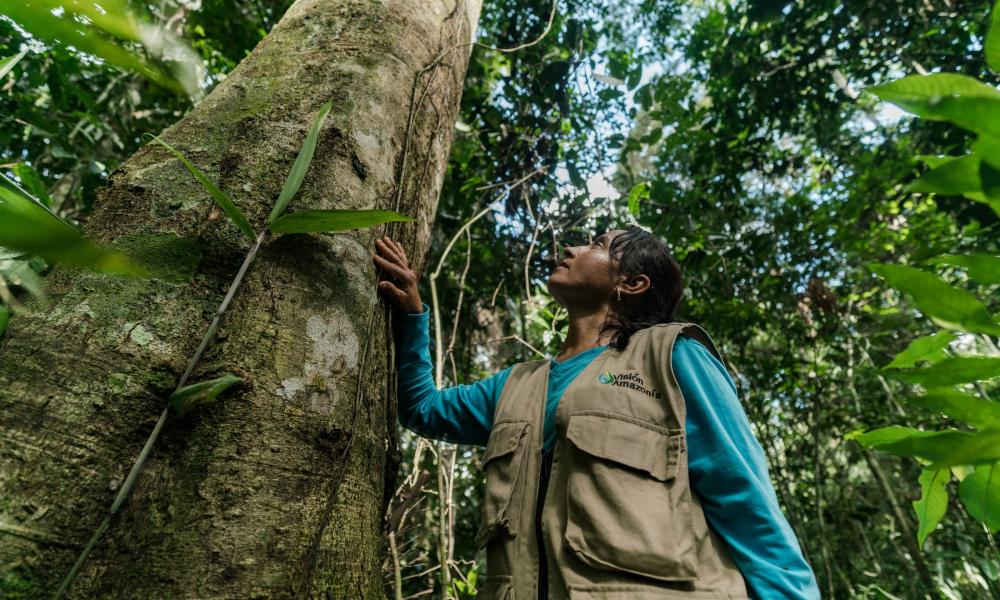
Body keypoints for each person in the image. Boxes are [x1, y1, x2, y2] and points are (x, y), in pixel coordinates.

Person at [372, 226, 819, 600]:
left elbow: (744, 497)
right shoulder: (515, 385)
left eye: (599, 245)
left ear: (633, 283)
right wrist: (411, 313)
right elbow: (421, 409)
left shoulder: (673, 355)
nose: (571, 249)